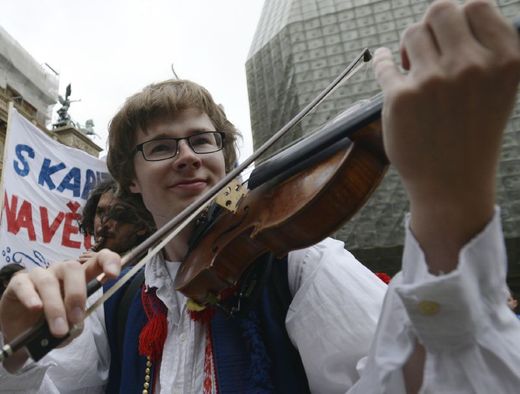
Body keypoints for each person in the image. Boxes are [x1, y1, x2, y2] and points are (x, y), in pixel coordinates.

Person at [1, 0, 520, 392]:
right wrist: (16, 353)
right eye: (161, 147)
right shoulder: (116, 295)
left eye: (204, 140)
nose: (188, 156)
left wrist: (447, 209)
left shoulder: (296, 261)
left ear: (226, 156)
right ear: (130, 179)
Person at [78, 178, 155, 255]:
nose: (105, 223)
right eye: (100, 212)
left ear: (141, 227)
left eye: (118, 215)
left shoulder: (151, 265)